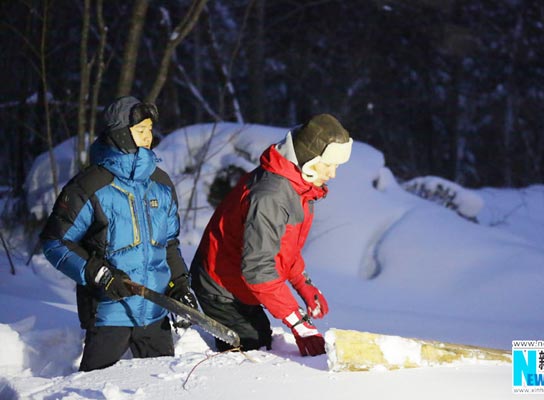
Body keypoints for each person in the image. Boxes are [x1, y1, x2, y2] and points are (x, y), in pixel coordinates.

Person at [40, 96, 198, 371]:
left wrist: (179, 285)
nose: (148, 137)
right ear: (120, 134)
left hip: (154, 312)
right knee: (96, 389)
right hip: (108, 313)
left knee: (162, 389)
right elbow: (55, 242)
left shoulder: (160, 183)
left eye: (149, 129)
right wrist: (100, 274)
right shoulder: (90, 185)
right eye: (140, 131)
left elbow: (169, 244)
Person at [190, 114, 353, 356]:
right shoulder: (272, 196)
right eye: (328, 165)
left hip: (241, 280)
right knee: (251, 348)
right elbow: (258, 269)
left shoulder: (299, 188)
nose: (332, 174)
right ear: (308, 160)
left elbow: (283, 249)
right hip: (220, 285)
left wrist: (302, 283)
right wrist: (299, 324)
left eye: (336, 167)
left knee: (261, 339)